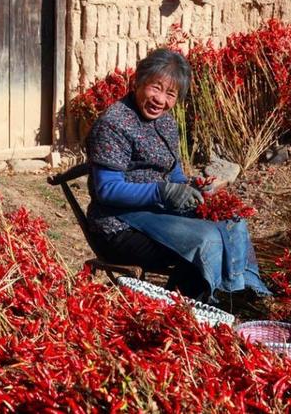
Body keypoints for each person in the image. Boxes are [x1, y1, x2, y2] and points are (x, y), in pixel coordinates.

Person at [85, 48, 271, 302]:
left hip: (159, 211)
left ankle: (235, 294)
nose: (160, 99)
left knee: (232, 222)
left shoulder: (165, 123)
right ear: (138, 81)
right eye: (155, 88)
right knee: (206, 239)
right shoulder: (113, 124)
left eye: (170, 94)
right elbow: (107, 190)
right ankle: (185, 308)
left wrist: (191, 186)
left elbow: (174, 173)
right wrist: (162, 192)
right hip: (119, 226)